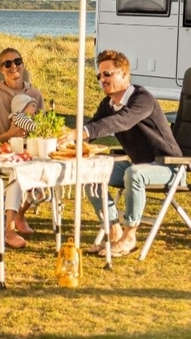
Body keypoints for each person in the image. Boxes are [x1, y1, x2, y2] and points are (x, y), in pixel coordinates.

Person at [62, 49, 182, 257]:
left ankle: (129, 237)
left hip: (169, 166)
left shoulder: (142, 99)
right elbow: (93, 129)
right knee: (90, 172)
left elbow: (120, 121)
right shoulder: (108, 104)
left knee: (134, 174)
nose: (102, 79)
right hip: (138, 164)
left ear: (124, 74)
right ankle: (113, 233)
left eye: (107, 74)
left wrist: (83, 132)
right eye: (99, 75)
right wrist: (65, 141)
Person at [0, 47, 46, 247]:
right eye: (7, 64)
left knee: (48, 171)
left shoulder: (35, 94)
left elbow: (44, 127)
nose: (13, 66)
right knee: (18, 171)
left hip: (33, 151)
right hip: (6, 154)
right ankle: (9, 230)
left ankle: (20, 214)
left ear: (23, 64)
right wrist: (9, 135)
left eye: (17, 61)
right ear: (1, 69)